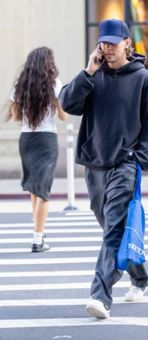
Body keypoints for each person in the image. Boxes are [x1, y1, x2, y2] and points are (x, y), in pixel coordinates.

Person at [59, 19, 148, 319]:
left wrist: (139, 160)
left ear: (127, 43)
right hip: (95, 163)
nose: (107, 48)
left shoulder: (143, 79)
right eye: (103, 42)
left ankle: (100, 295)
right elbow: (66, 103)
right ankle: (141, 275)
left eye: (113, 43)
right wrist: (88, 72)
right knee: (111, 227)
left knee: (114, 229)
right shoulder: (93, 76)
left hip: (125, 164)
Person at [7, 46, 67, 252]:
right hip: (47, 139)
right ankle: (37, 238)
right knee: (43, 190)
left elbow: (15, 117)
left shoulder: (20, 84)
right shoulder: (55, 84)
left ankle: (38, 233)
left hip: (26, 139)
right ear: (48, 63)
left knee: (35, 187)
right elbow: (63, 116)